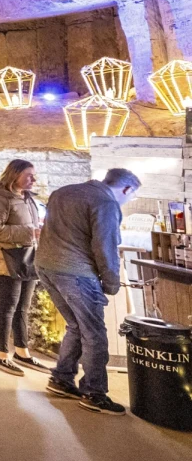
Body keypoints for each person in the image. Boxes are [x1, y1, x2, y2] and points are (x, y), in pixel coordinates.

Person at [36, 168, 141, 415]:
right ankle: (94, 393)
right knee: (94, 333)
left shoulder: (63, 192)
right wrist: (112, 282)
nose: (127, 201)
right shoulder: (105, 202)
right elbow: (105, 246)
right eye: (131, 196)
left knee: (75, 325)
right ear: (126, 189)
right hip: (77, 273)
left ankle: (61, 379)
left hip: (46, 266)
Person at [0, 159, 50, 376]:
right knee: (8, 304)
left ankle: (22, 351)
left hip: (27, 257)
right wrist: (30, 232)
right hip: (5, 258)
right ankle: (0, 354)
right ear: (14, 175)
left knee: (23, 307)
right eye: (29, 175)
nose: (33, 179)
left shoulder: (27, 198)